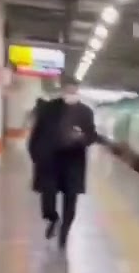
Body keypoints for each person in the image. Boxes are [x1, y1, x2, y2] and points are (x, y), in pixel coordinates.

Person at [27, 83, 98, 250]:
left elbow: (92, 135)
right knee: (48, 196)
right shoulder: (50, 109)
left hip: (73, 161)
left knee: (70, 198)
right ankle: (52, 218)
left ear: (78, 92)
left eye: (74, 91)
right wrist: (36, 155)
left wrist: (81, 138)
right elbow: (36, 133)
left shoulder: (85, 112)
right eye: (68, 90)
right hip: (51, 161)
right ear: (63, 91)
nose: (71, 93)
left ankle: (65, 233)